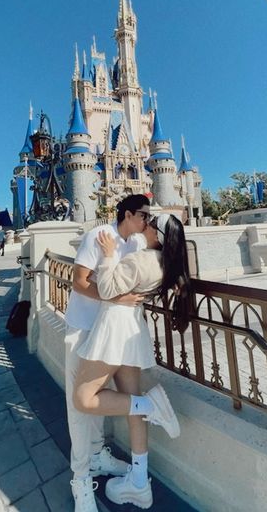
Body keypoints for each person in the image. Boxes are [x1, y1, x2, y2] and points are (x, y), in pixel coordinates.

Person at [73, 213, 193, 509]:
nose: (145, 225)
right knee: (130, 400)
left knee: (83, 398)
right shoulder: (167, 266)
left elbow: (108, 289)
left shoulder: (142, 260)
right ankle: (139, 482)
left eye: (150, 223)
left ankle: (152, 405)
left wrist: (110, 255)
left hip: (113, 329)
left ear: (157, 234)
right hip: (133, 330)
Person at [65, 194, 151, 512]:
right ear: (127, 214)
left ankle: (99, 455)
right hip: (84, 329)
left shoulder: (134, 245)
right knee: (79, 405)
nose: (147, 221)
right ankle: (81, 481)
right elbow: (78, 282)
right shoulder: (99, 236)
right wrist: (113, 299)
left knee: (101, 399)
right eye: (143, 215)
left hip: (115, 334)